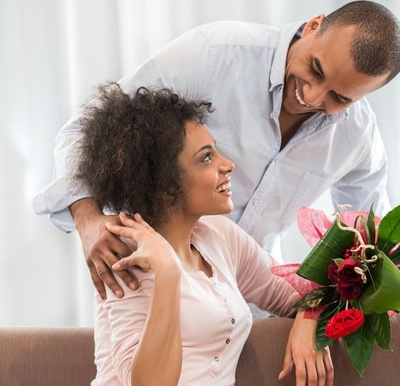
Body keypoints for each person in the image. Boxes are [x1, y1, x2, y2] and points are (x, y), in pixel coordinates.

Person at [33, 1, 400, 301]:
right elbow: (86, 130)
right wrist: (88, 220)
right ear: (313, 25)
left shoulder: (358, 136)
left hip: (255, 305)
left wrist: (314, 314)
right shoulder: (215, 54)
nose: (312, 96)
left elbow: (375, 243)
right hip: (151, 285)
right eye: (315, 69)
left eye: (339, 97)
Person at [72, 83, 333, 386]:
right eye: (206, 158)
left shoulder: (220, 235)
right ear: (163, 185)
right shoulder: (122, 254)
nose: (228, 165)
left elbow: (303, 291)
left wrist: (308, 321)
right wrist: (167, 272)